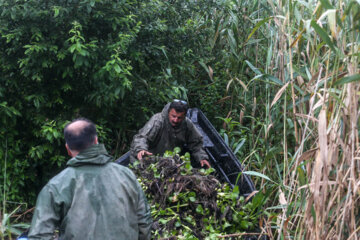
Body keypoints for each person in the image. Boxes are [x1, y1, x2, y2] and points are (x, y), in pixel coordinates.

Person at [28, 118, 152, 240]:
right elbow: (144, 224)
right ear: (96, 140)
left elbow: (39, 235)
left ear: (68, 149)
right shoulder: (127, 176)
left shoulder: (57, 185)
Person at [130, 100, 211, 168]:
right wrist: (141, 149)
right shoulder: (158, 121)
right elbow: (141, 137)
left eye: (179, 118)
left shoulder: (187, 124)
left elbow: (196, 143)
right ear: (169, 112)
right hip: (147, 160)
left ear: (184, 116)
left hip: (168, 163)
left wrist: (202, 157)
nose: (175, 120)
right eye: (173, 116)